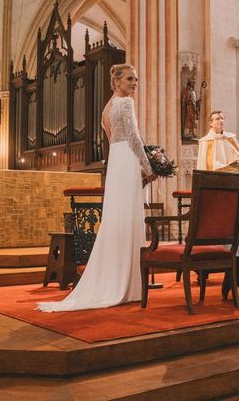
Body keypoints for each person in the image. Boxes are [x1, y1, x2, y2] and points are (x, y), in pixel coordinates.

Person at [37, 64, 156, 312]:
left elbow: (116, 137)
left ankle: (116, 278)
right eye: (130, 79)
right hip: (127, 159)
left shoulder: (107, 107)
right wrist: (149, 165)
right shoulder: (125, 103)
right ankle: (128, 282)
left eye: (136, 79)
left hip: (117, 161)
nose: (135, 83)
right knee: (127, 219)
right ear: (118, 82)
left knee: (117, 218)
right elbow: (134, 138)